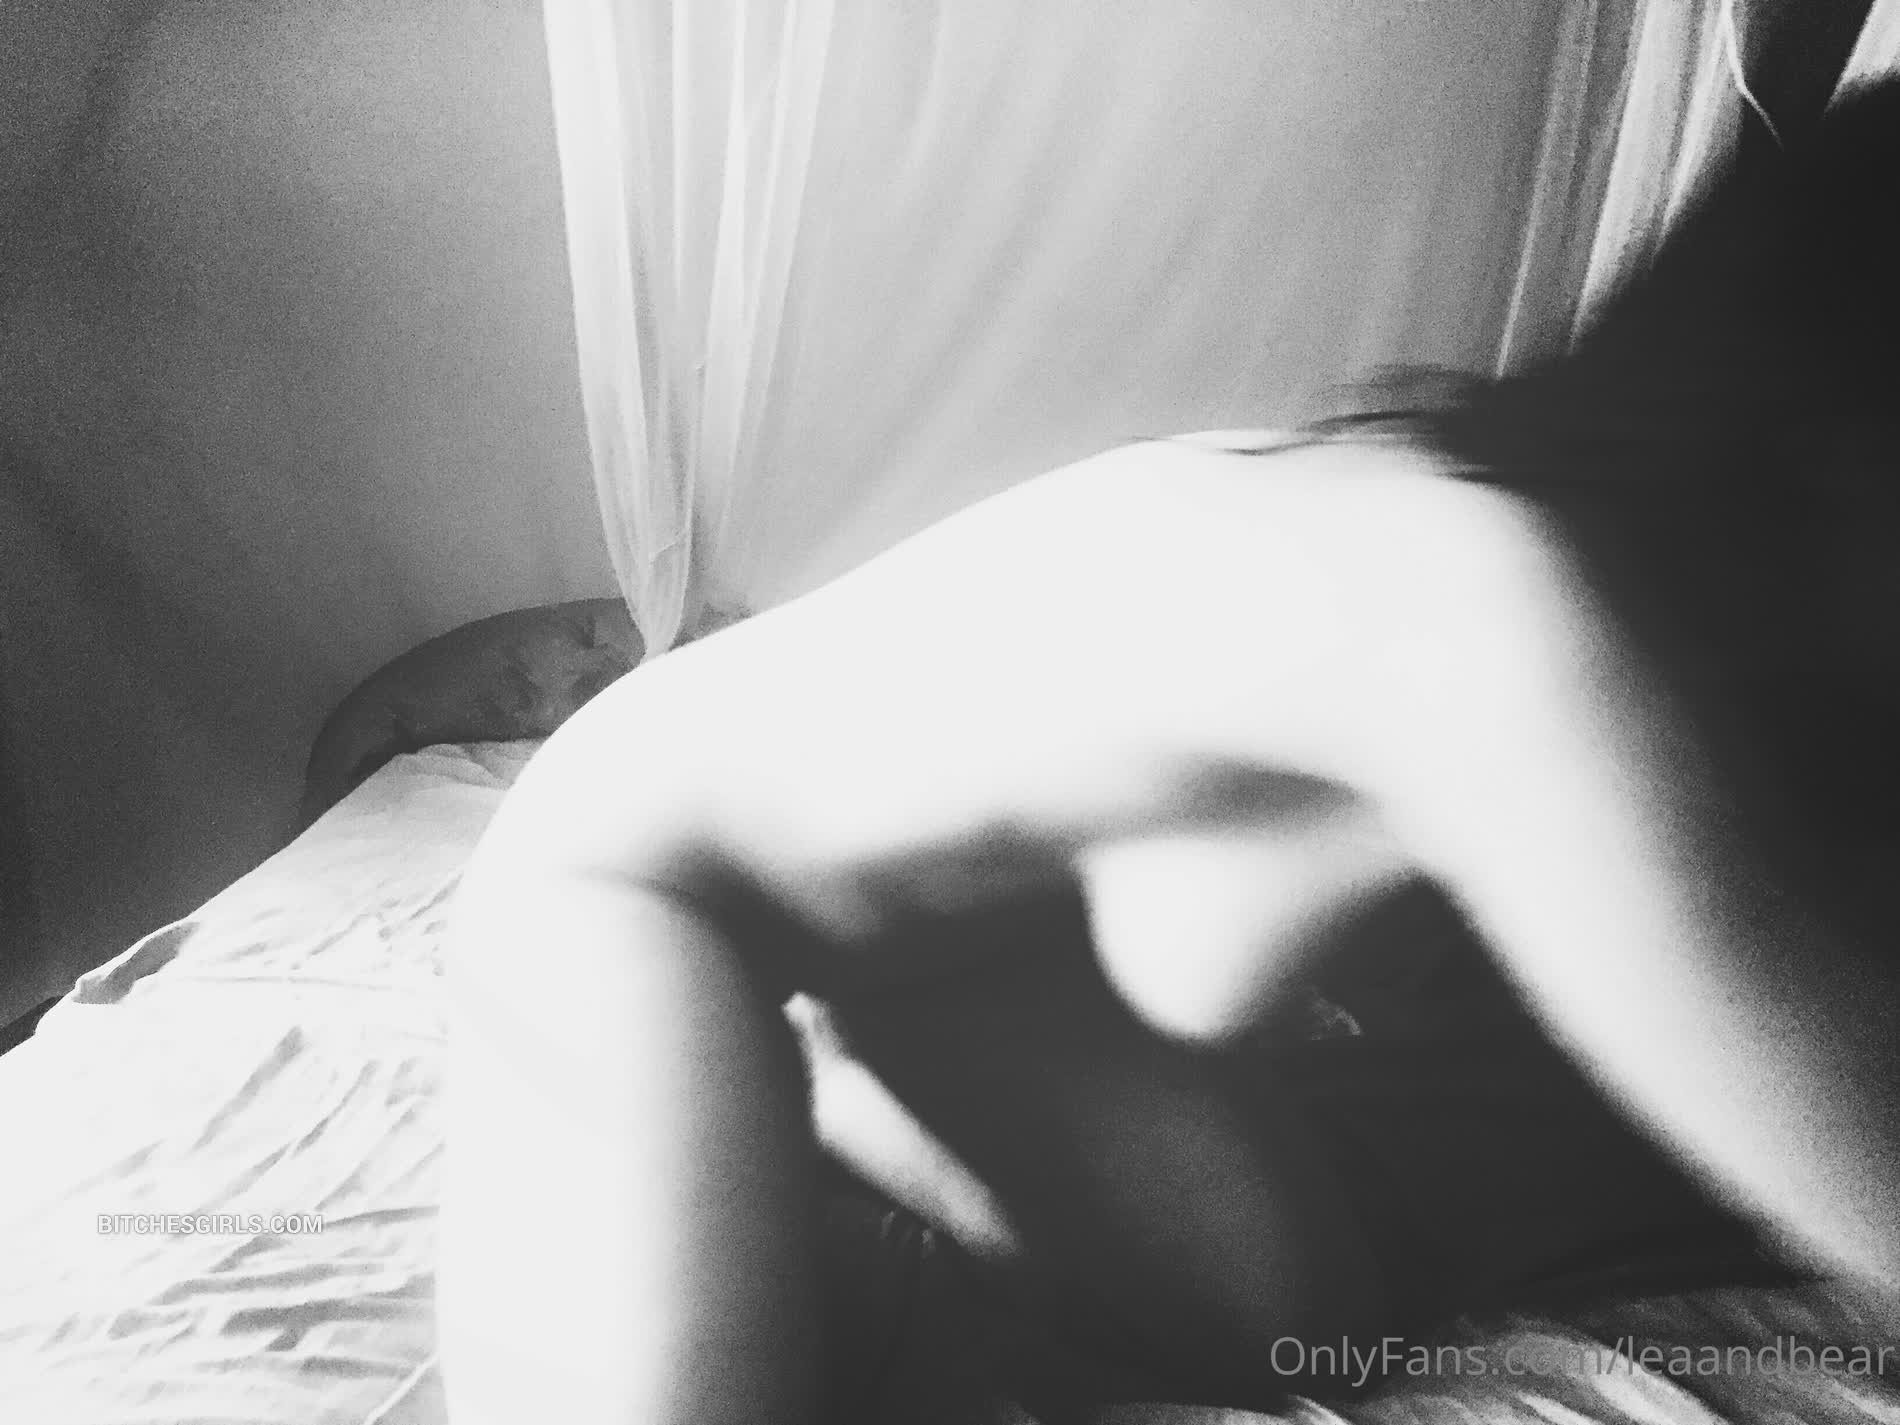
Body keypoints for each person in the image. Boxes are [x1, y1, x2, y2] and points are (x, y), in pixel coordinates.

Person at [438, 80, 1900, 1425]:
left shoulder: (1555, 605)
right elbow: (1852, 1160)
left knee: (1312, 1331)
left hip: (972, 972)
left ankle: (826, 1106)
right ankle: (764, 1102)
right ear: (1829, 434)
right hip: (651, 885)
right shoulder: (1492, 618)